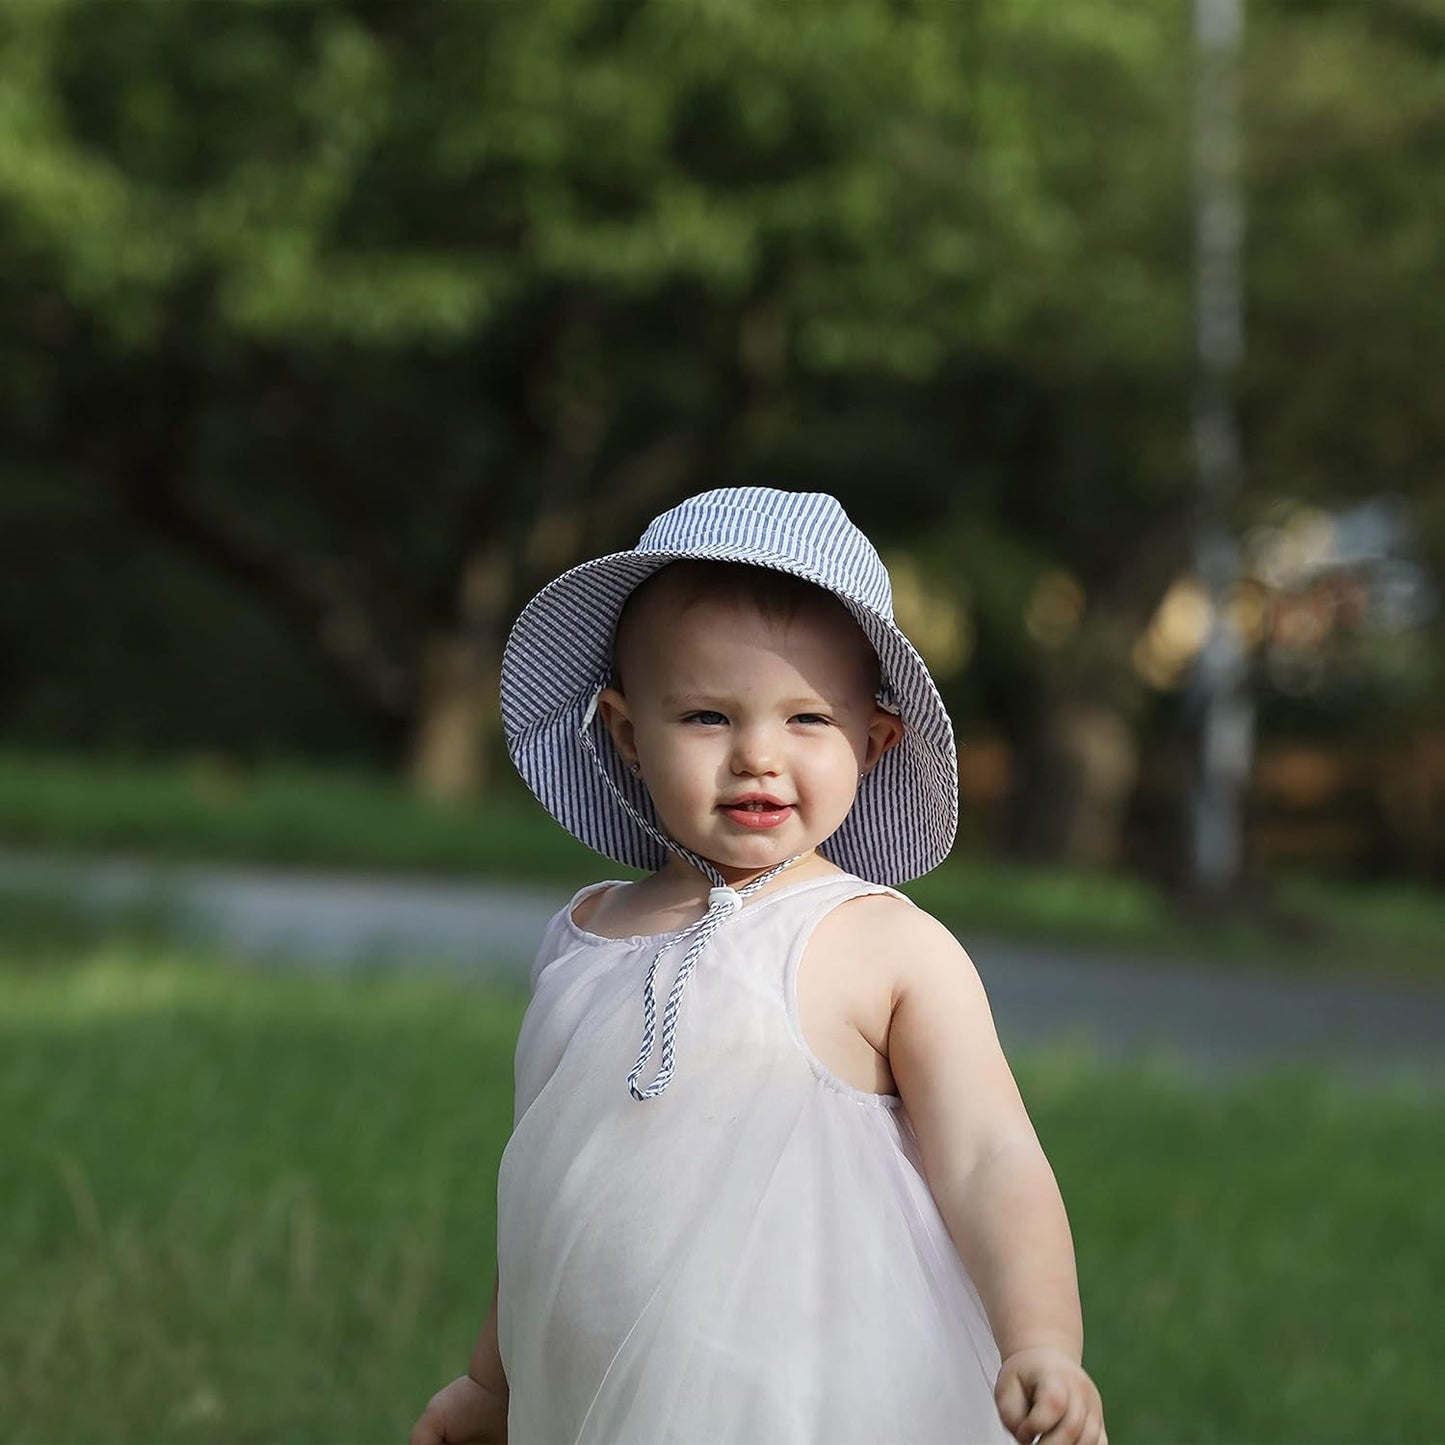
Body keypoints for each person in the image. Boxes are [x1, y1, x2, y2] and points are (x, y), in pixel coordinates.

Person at [410, 488, 1106, 1445]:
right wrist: (492, 1384)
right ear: (625, 734)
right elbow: (547, 1191)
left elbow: (991, 1157)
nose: (756, 757)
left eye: (807, 720)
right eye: (705, 715)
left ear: (873, 741)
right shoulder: (582, 935)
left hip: (813, 1399)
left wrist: (1042, 1340)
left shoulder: (883, 944)